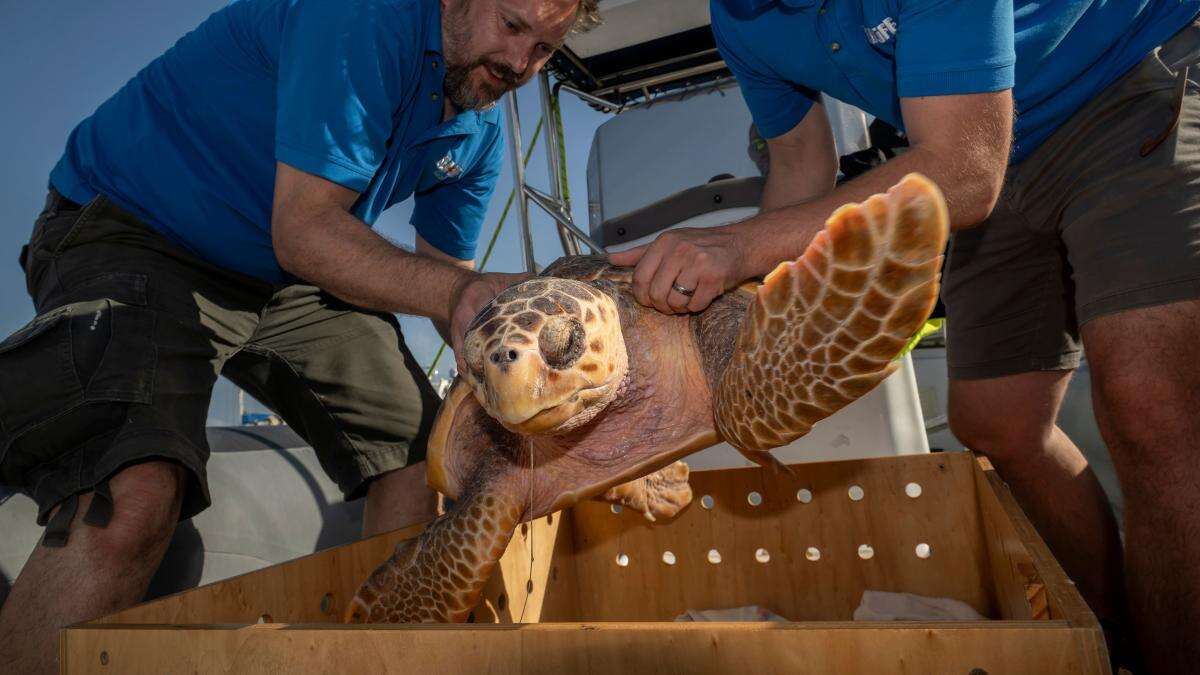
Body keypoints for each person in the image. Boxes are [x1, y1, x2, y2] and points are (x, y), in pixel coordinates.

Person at [0, 0, 598, 671]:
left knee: (420, 455)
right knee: (132, 500)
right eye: (512, 27)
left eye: (545, 50)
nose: (520, 65)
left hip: (281, 275)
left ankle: (385, 659)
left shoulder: (478, 125)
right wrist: (462, 294)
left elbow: (447, 283)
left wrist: (527, 396)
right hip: (141, 230)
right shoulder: (362, 16)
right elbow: (310, 230)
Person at [610, 0, 1200, 670]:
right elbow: (801, 164)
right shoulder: (739, 20)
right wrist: (734, 329)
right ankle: (1113, 641)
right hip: (984, 148)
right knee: (997, 424)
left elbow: (966, 172)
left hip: (1118, 85)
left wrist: (734, 246)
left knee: (1153, 406)